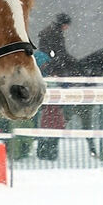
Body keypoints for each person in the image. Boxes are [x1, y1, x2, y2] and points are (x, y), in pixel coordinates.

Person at [35, 13, 77, 161]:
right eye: (66, 25)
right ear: (63, 24)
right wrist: (73, 62)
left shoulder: (48, 32)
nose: (67, 28)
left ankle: (43, 151)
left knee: (47, 122)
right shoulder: (56, 34)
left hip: (47, 67)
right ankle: (50, 153)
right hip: (52, 71)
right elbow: (60, 54)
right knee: (52, 122)